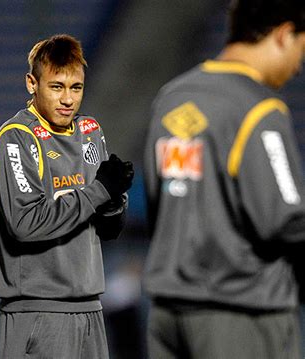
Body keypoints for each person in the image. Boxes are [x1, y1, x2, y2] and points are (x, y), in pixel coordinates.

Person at [143, 0, 305, 358]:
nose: (297, 68)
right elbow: (288, 219)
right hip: (239, 314)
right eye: (301, 49)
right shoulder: (259, 108)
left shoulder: (171, 98)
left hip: (168, 314)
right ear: (283, 34)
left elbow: (159, 201)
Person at [0, 34, 134, 358]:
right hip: (38, 311)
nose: (68, 99)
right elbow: (25, 223)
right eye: (56, 87)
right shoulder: (18, 137)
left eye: (76, 88)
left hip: (90, 306)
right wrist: (98, 191)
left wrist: (113, 204)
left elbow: (107, 228)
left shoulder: (90, 132)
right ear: (32, 83)